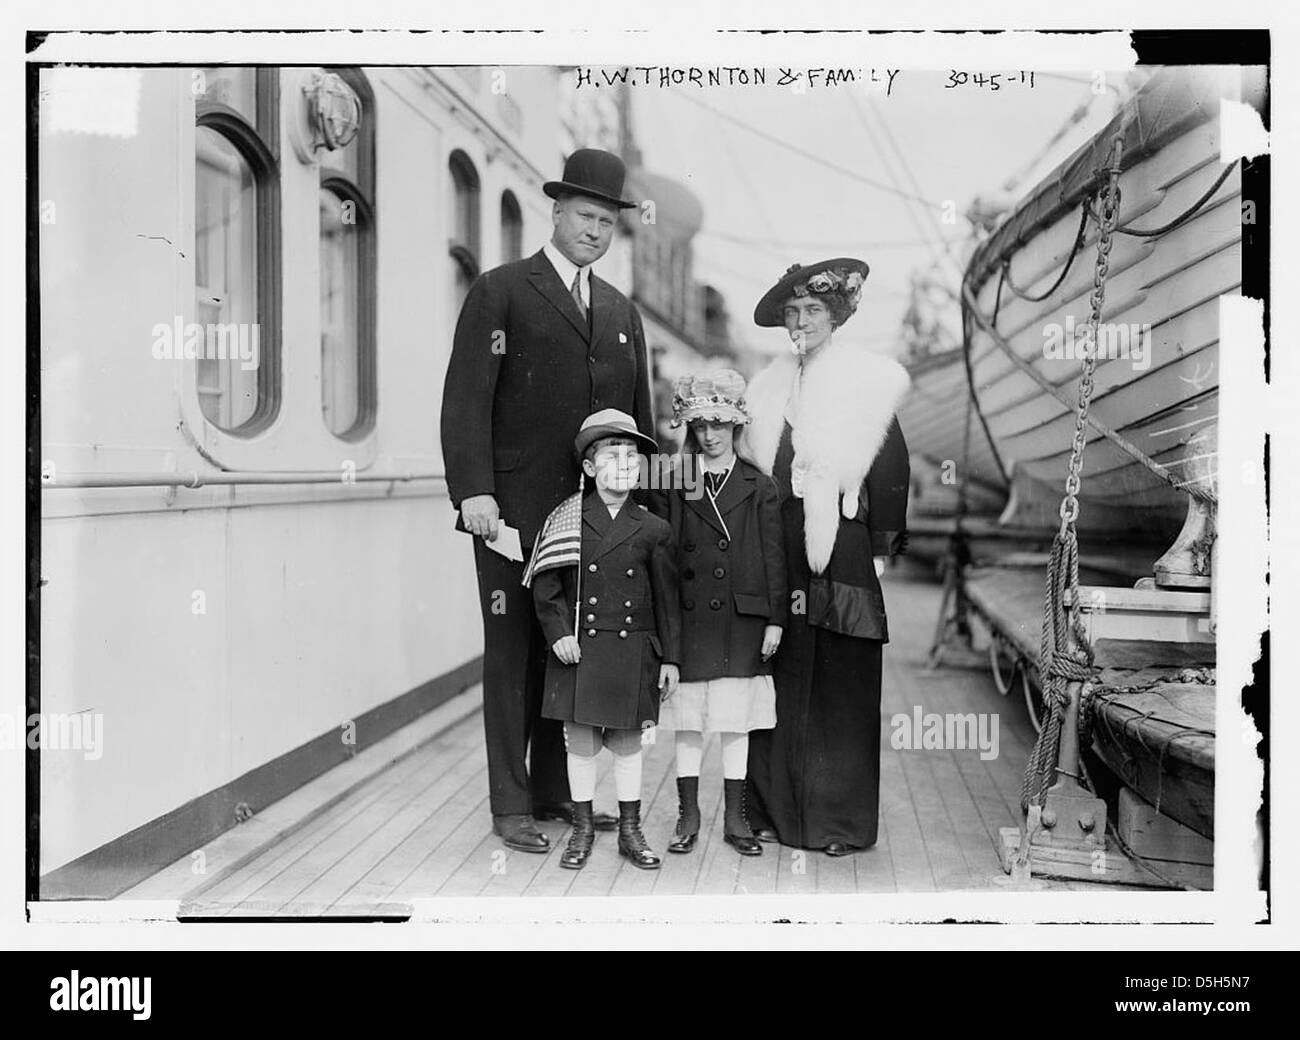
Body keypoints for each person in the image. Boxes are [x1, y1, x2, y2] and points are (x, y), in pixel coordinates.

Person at [440, 149, 654, 854]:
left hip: (594, 524)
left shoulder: (622, 311)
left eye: (606, 222)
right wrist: (475, 493)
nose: (595, 231)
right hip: (511, 519)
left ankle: (557, 790)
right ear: (556, 213)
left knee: (573, 654)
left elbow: (638, 419)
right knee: (512, 655)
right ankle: (510, 805)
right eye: (585, 216)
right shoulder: (501, 291)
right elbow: (465, 402)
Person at [737, 259, 911, 857]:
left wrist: (881, 544)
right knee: (776, 676)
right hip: (777, 548)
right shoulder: (765, 388)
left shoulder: (867, 380)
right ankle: (771, 813)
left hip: (843, 549)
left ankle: (838, 822)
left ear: (835, 316)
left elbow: (890, 467)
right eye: (792, 313)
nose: (800, 322)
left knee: (841, 679)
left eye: (812, 311)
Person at [528, 410, 681, 870]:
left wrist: (671, 659)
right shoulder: (566, 521)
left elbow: (666, 600)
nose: (627, 465)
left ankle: (631, 831)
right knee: (581, 745)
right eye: (614, 456)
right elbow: (547, 586)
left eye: (633, 458)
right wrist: (558, 634)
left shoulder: (654, 528)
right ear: (590, 468)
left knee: (630, 745)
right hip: (580, 652)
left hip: (633, 652)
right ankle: (582, 828)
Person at [651, 371, 786, 857]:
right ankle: (689, 814)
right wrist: (665, 631)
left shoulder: (759, 485)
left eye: (719, 425)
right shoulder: (674, 481)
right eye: (701, 425)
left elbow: (774, 556)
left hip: (741, 619)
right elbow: (665, 560)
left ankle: (736, 817)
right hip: (690, 621)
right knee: (688, 721)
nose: (709, 435)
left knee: (735, 721)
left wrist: (775, 618)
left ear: (736, 427)